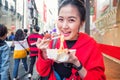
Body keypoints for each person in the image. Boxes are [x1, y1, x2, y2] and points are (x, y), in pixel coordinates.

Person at [35, 0, 106, 80]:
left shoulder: (91, 45)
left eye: (71, 20)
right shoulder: (53, 42)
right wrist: (44, 53)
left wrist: (77, 64)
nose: (64, 26)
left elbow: (99, 78)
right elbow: (42, 72)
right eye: (61, 19)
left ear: (81, 23)